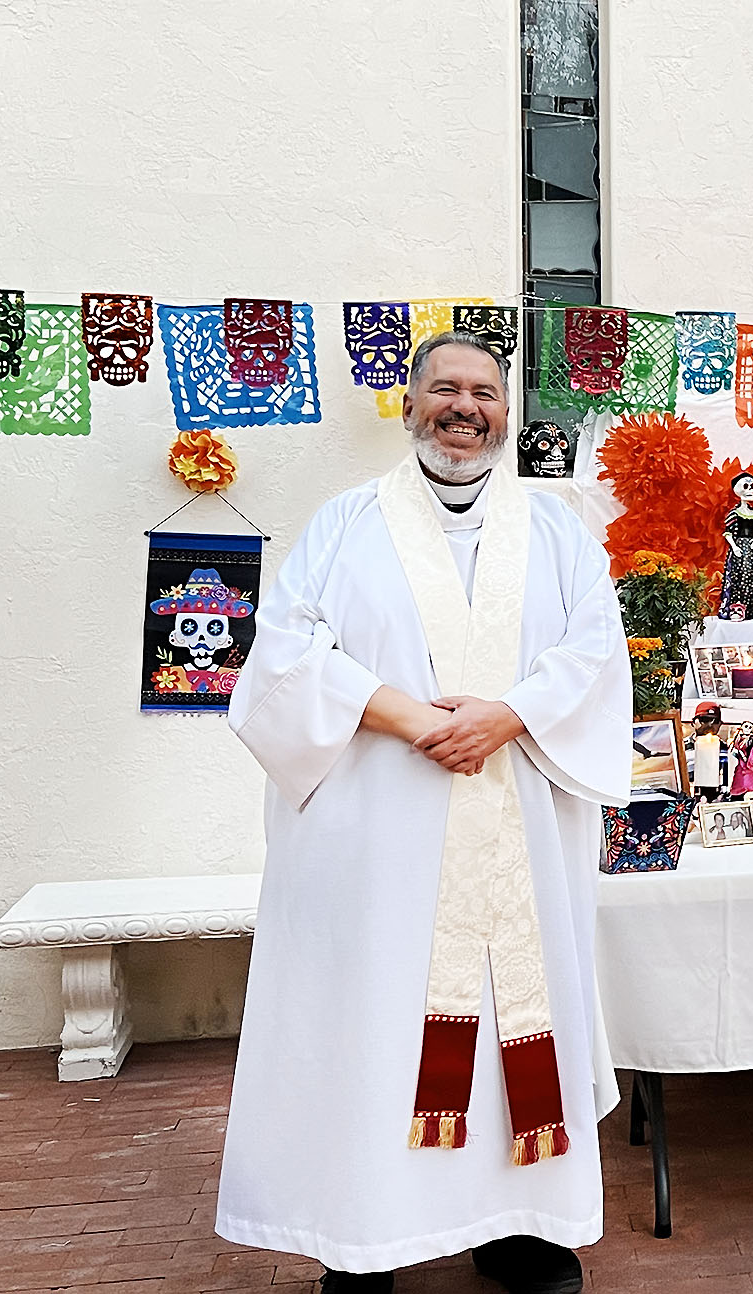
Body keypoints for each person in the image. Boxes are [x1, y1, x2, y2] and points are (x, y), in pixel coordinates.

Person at [221, 333, 632, 1292]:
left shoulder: (560, 529)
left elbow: (594, 651)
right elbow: (282, 656)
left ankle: (522, 1225)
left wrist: (507, 715)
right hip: (377, 844)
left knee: (511, 1015)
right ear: (409, 407)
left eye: (485, 392)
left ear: (506, 412)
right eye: (443, 388)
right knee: (372, 1017)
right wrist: (411, 719)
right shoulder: (343, 524)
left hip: (517, 823)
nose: (465, 407)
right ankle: (363, 1234)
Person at [717, 473, 753, 620]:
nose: (750, 490)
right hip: (739, 547)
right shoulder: (734, 513)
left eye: (752, 486)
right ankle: (739, 606)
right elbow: (728, 533)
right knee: (740, 576)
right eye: (746, 486)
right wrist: (734, 547)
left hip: (752, 548)